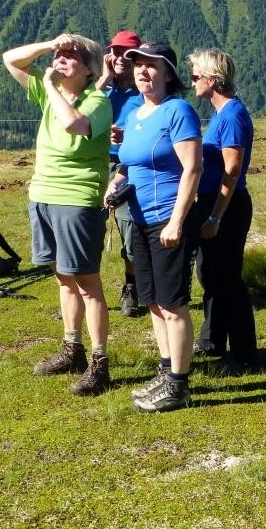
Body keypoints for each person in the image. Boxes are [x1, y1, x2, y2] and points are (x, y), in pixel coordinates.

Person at [2, 33, 114, 396]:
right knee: (63, 278)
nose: (61, 60)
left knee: (87, 283)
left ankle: (100, 363)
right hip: (43, 195)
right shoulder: (50, 89)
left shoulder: (97, 101)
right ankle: (72, 350)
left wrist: (50, 85)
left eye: (71, 57)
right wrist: (48, 44)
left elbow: (75, 125)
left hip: (77, 200)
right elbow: (10, 59)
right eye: (60, 55)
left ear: (88, 69)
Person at [108, 41, 202, 413]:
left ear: (168, 74)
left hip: (167, 219)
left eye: (151, 66)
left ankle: (178, 386)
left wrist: (178, 220)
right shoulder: (134, 116)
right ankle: (166, 373)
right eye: (138, 66)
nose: (142, 71)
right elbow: (128, 164)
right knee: (152, 301)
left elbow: (192, 168)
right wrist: (114, 185)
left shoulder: (178, 111)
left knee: (173, 303)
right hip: (140, 219)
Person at [188, 48, 257, 374]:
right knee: (211, 274)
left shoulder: (231, 116)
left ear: (213, 80)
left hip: (226, 207)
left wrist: (215, 216)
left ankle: (243, 355)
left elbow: (232, 170)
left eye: (196, 76)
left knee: (228, 280)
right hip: (214, 204)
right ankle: (212, 339)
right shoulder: (221, 114)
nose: (192, 82)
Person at [97, 30, 146, 317]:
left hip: (128, 167)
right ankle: (84, 292)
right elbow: (78, 108)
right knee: (90, 225)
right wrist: (103, 77)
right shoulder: (100, 88)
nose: (120, 58)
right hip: (96, 163)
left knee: (129, 228)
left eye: (127, 53)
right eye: (114, 52)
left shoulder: (145, 91)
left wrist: (129, 136)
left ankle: (131, 286)